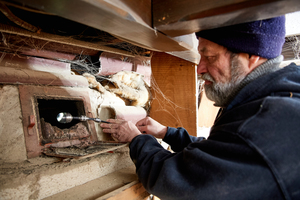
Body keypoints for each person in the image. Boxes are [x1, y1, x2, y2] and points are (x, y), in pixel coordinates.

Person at [100, 16, 300, 199]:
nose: (199, 69)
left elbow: (180, 182)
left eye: (210, 57)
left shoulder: (262, 123)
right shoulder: (276, 94)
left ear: (251, 56)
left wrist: (137, 140)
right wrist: (167, 133)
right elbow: (224, 154)